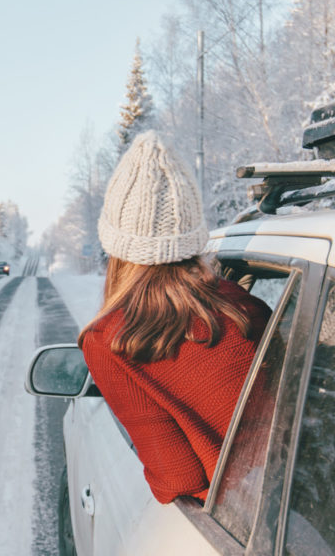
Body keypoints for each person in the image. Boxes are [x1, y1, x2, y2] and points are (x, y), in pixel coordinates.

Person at [79, 131, 271, 504]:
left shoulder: (109, 341)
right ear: (192, 237)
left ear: (116, 246)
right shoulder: (246, 308)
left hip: (235, 515)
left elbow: (179, 479)